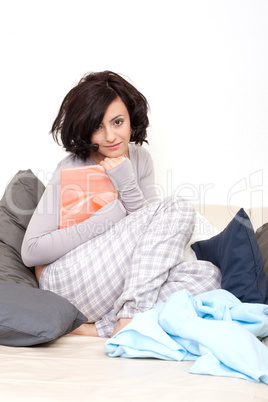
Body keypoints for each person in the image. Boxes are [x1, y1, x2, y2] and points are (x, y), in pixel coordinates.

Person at [21, 71, 221, 338]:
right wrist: (106, 219)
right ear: (84, 127)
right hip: (66, 282)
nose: (110, 137)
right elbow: (31, 252)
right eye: (97, 126)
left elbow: (149, 232)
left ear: (131, 119)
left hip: (118, 280)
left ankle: (99, 328)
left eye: (117, 122)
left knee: (207, 275)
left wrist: (126, 183)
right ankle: (130, 317)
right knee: (178, 207)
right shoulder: (70, 167)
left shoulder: (140, 159)